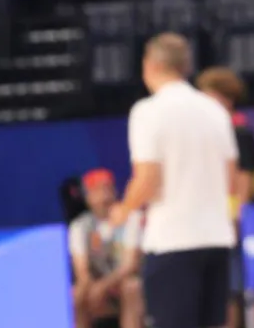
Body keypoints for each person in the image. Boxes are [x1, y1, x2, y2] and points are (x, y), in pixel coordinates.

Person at [110, 33, 238, 328]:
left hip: (173, 240)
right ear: (185, 66)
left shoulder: (147, 111)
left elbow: (148, 180)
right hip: (216, 239)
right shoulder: (215, 110)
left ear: (150, 65)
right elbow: (230, 177)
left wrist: (123, 210)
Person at [196, 67, 254, 328]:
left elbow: (245, 181)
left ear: (226, 99)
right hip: (225, 222)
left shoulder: (239, 133)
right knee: (228, 290)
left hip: (248, 222)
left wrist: (238, 219)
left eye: (209, 97)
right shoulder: (218, 134)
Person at [68, 169, 144, 328]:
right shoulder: (79, 226)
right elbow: (82, 270)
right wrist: (92, 286)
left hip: (122, 284)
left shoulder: (131, 218)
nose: (104, 196)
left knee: (131, 286)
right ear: (88, 197)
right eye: (96, 191)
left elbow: (130, 265)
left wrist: (104, 285)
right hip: (99, 291)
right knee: (76, 293)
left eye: (107, 188)